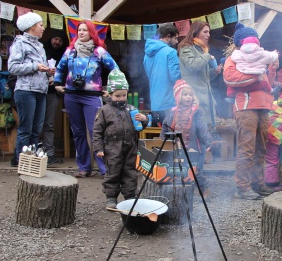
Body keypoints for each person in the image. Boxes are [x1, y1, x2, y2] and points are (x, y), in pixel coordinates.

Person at [54, 20, 120, 178]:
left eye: (85, 30)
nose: (81, 33)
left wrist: (111, 90)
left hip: (92, 96)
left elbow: (114, 69)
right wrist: (57, 84)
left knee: (96, 131)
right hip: (71, 95)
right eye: (79, 30)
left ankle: (105, 169)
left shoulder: (99, 51)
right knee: (77, 132)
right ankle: (84, 167)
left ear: (91, 33)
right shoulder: (70, 51)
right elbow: (60, 67)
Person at [223, 24, 274, 200]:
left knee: (261, 147)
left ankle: (257, 183)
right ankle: (242, 187)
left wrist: (271, 70)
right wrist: (256, 77)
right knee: (247, 147)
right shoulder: (234, 58)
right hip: (245, 106)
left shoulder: (260, 58)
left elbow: (268, 83)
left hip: (263, 106)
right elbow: (230, 78)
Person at [93, 69, 147, 209]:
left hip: (130, 147)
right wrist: (98, 148)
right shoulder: (104, 111)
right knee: (113, 172)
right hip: (112, 148)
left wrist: (144, 119)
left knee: (130, 172)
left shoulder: (131, 109)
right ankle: (111, 197)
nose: (122, 98)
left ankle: (130, 196)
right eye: (118, 96)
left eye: (124, 95)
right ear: (110, 94)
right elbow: (97, 131)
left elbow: (139, 127)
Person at [8, 12, 54, 167]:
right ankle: (20, 161)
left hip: (41, 91)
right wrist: (35, 66)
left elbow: (39, 69)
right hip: (26, 90)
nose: (43, 28)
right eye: (41, 25)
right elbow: (13, 67)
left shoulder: (40, 46)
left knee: (37, 129)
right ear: (32, 27)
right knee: (26, 128)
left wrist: (48, 72)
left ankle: (32, 162)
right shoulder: (19, 43)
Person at [160, 80, 213, 195]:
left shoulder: (196, 112)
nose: (188, 97)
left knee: (196, 170)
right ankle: (182, 190)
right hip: (178, 146)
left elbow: (202, 128)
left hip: (195, 146)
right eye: (185, 95)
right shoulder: (173, 113)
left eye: (190, 95)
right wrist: (164, 141)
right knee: (179, 167)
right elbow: (165, 126)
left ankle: (204, 189)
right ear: (178, 97)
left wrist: (208, 142)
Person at [178, 21, 222, 134]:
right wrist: (207, 56)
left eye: (209, 32)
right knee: (196, 134)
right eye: (205, 32)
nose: (209, 35)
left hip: (206, 98)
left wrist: (214, 72)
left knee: (205, 137)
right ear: (196, 32)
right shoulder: (186, 48)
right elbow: (192, 65)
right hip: (194, 98)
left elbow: (203, 77)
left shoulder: (202, 50)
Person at [143, 24, 181, 123]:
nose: (177, 41)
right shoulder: (171, 52)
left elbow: (148, 74)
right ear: (168, 36)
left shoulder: (147, 54)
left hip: (155, 99)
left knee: (162, 133)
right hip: (169, 99)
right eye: (175, 38)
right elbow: (176, 77)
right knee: (172, 131)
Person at [42, 29, 68, 166]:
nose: (57, 42)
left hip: (53, 92)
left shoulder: (64, 55)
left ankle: (49, 153)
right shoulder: (41, 50)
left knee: (49, 124)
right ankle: (32, 154)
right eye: (55, 39)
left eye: (60, 40)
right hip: (38, 90)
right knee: (35, 124)